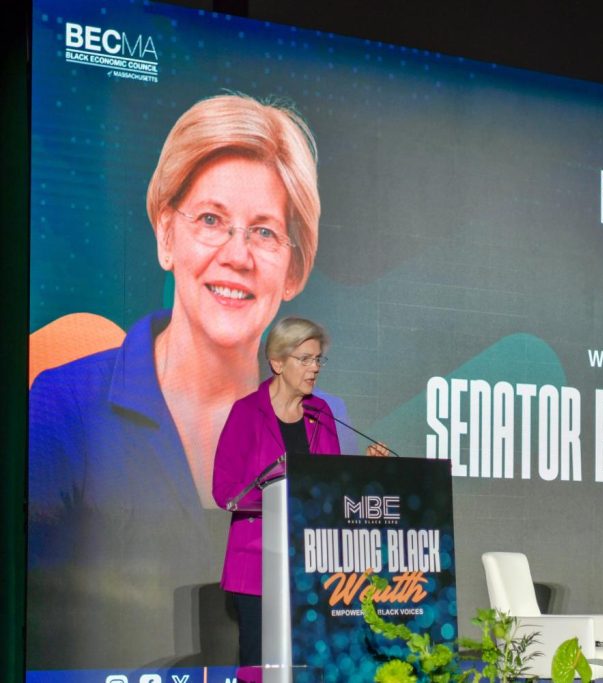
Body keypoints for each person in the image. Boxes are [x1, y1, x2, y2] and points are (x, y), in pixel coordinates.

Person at [27, 94, 357, 668]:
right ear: (165, 234)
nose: (237, 255)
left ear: (294, 269)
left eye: (264, 232)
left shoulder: (331, 422)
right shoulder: (63, 407)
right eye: (211, 220)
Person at [213, 317, 340, 674]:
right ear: (278, 363)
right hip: (256, 560)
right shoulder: (246, 413)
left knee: (310, 663)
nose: (314, 368)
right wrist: (276, 492)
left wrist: (363, 471)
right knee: (259, 664)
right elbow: (225, 492)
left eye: (318, 360)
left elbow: (330, 484)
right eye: (306, 359)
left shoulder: (321, 414)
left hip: (310, 564)